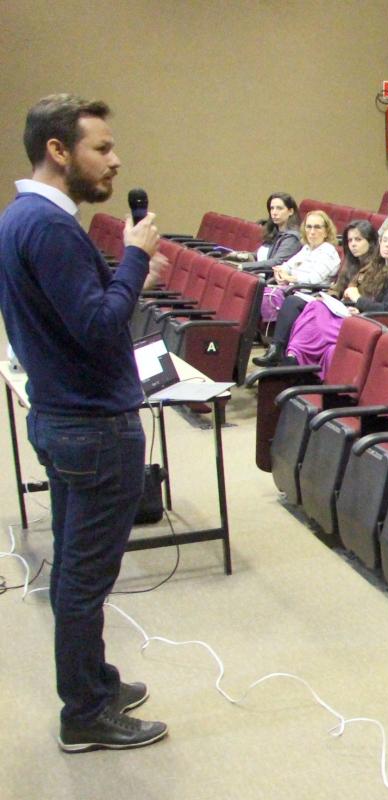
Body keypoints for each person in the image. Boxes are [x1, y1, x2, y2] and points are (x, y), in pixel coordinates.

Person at [0, 94, 169, 751]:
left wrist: (134, 280)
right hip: (91, 428)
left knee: (75, 570)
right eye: (102, 148)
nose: (116, 160)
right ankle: (86, 714)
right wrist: (130, 258)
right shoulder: (48, 225)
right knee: (83, 579)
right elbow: (99, 327)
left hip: (63, 416)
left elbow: (75, 310)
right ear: (58, 151)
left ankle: (93, 680)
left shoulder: (23, 219)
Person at [283, 226, 388, 377]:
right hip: (362, 316)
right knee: (316, 306)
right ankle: (293, 357)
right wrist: (358, 308)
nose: (387, 245)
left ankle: (293, 360)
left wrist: (357, 299)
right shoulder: (378, 267)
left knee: (315, 314)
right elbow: (372, 301)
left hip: (374, 326)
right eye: (384, 240)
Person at [254, 218, 377, 367]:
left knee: (302, 305)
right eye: (350, 240)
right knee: (293, 301)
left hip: (354, 312)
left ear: (370, 241)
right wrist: (329, 297)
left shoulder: (375, 267)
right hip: (337, 306)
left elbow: (370, 298)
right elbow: (337, 288)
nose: (353, 244)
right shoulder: (350, 262)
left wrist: (353, 304)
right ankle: (278, 349)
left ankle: (291, 357)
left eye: (358, 240)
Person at [258, 209, 341, 328]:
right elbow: (286, 266)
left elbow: (314, 279)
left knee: (270, 296)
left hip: (311, 294)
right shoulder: (307, 248)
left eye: (317, 227)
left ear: (326, 231)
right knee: (257, 291)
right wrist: (280, 274)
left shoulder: (328, 251)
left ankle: (272, 333)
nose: (312, 232)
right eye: (309, 227)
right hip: (293, 289)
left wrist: (290, 278)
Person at [234, 192, 301, 270]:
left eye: (279, 208)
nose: (274, 213)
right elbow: (261, 256)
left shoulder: (292, 238)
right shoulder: (274, 232)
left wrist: (244, 266)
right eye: (272, 208)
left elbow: (277, 262)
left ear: (290, 211)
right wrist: (243, 256)